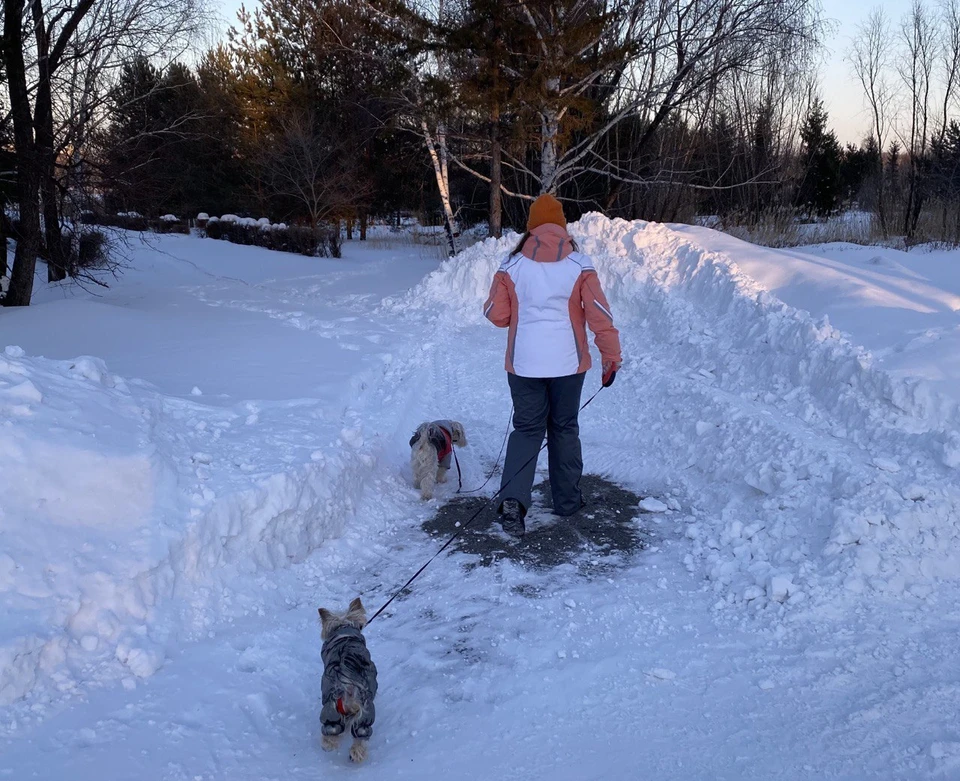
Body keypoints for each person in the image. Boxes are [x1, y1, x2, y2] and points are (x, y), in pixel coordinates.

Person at [483, 194, 622, 537]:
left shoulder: (511, 266)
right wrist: (611, 357)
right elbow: (600, 316)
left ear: (530, 226)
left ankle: (514, 502)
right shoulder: (579, 265)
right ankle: (568, 501)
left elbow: (496, 315)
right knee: (564, 429)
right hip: (568, 365)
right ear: (562, 226)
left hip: (524, 364)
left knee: (527, 430)